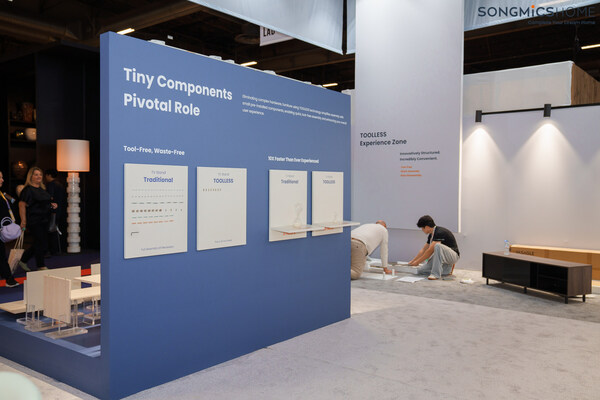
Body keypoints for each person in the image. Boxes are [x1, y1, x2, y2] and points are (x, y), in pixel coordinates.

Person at [17, 167, 57, 272]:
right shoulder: (28, 190)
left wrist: (52, 205)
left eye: (40, 174)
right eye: (36, 174)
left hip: (45, 220)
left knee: (39, 243)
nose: (39, 176)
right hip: (34, 220)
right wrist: (23, 221)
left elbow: (44, 203)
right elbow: (21, 205)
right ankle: (41, 266)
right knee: (40, 242)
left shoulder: (42, 189)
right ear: (31, 177)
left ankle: (23, 260)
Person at [408, 215, 459, 280]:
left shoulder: (439, 232)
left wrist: (417, 262)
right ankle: (446, 270)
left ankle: (435, 274)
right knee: (421, 271)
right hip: (443, 257)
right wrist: (413, 261)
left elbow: (429, 251)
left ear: (427, 227)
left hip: (453, 256)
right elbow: (424, 249)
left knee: (437, 246)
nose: (422, 230)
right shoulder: (431, 235)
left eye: (422, 228)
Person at [0, 171, 20, 287]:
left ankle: (9, 278)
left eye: (2, 177)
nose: (2, 180)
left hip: (1, 229)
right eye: (0, 178)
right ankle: (9, 278)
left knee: (1, 255)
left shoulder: (2, 194)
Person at [45, 168, 67, 255]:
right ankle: (58, 249)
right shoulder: (60, 184)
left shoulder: (51, 185)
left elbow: (50, 197)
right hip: (60, 210)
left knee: (51, 230)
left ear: (49, 175)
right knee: (57, 229)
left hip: (52, 211)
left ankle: (51, 250)